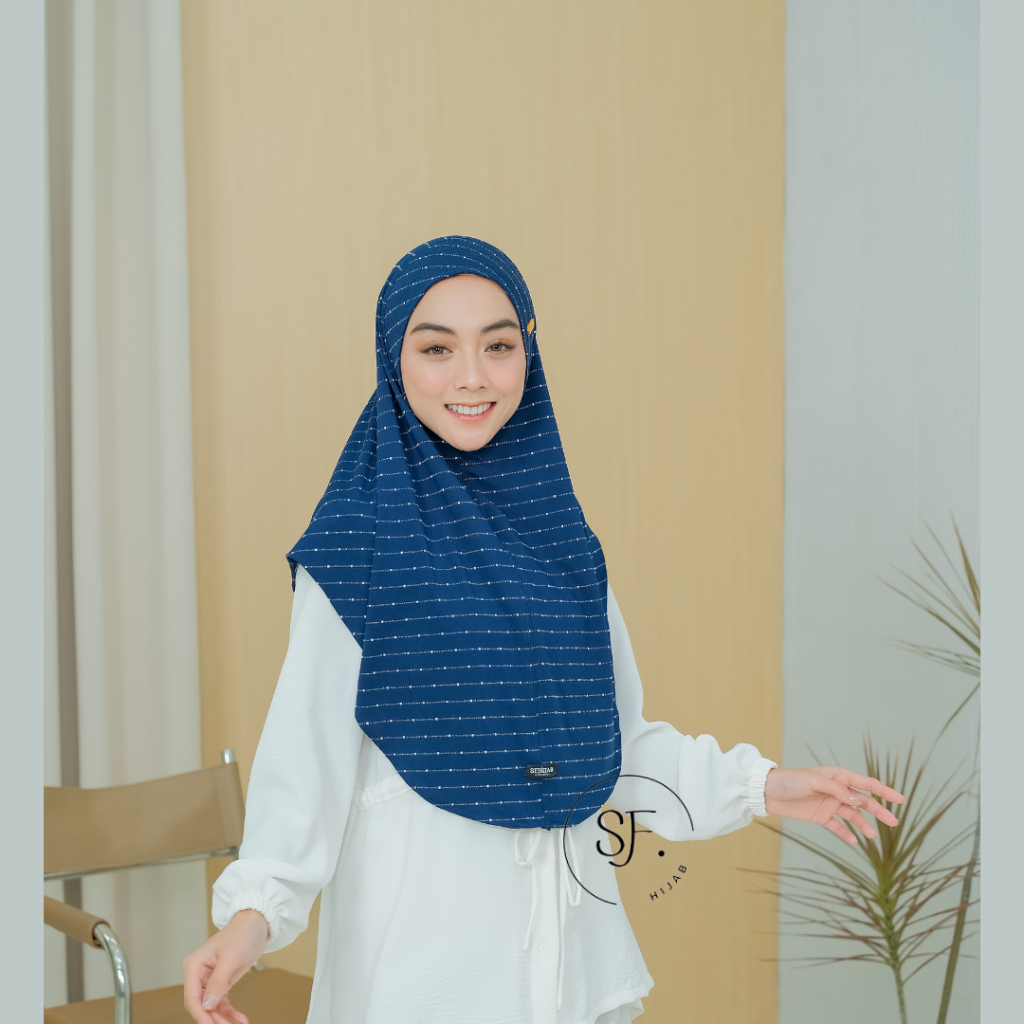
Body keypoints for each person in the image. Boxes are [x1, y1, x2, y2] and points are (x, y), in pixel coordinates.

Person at [183, 237, 904, 1024]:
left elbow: (611, 747)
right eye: (436, 348)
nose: (472, 376)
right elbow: (306, 761)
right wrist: (253, 916)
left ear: (527, 351)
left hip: (570, 975)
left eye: (498, 345)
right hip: (425, 982)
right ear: (393, 361)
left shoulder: (564, 546)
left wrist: (762, 786)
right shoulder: (357, 548)